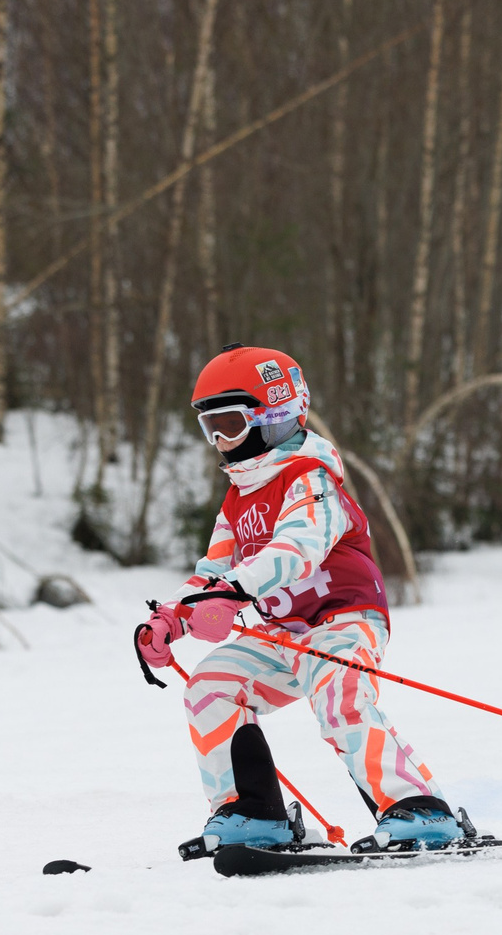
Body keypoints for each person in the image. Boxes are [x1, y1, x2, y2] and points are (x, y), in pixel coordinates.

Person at [132, 344, 461, 853]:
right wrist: (173, 619)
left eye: (231, 425)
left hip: (343, 620)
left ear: (276, 414)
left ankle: (418, 809)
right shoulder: (239, 495)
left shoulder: (312, 478)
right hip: (280, 635)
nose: (220, 441)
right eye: (210, 428)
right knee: (209, 687)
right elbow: (214, 570)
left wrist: (236, 591)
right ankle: (252, 813)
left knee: (339, 692)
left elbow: (298, 548)